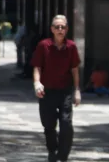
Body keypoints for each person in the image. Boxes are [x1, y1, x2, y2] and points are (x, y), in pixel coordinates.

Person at [32, 15, 81, 162]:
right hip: (47, 91)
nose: (60, 29)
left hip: (64, 90)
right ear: (52, 29)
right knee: (49, 125)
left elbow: (75, 70)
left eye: (63, 27)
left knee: (66, 124)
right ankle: (52, 150)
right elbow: (37, 67)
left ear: (67, 30)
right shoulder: (43, 46)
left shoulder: (71, 47)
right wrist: (37, 83)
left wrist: (77, 90)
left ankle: (63, 155)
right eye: (57, 27)